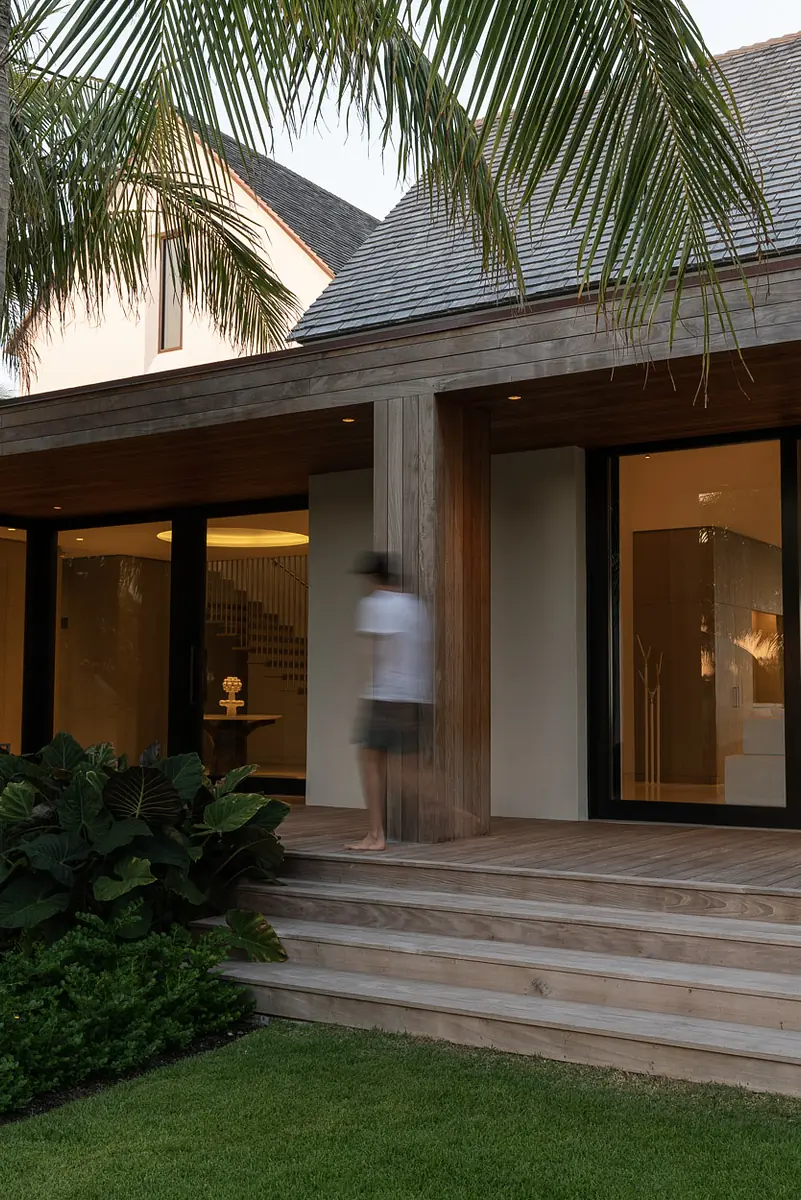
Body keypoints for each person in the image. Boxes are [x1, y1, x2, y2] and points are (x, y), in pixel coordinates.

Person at [347, 551, 431, 851]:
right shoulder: (416, 606)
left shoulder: (374, 605)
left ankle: (375, 835)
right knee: (409, 769)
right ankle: (458, 813)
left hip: (384, 694)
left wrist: (364, 689)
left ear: (372, 578)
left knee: (371, 762)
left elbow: (374, 652)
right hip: (415, 695)